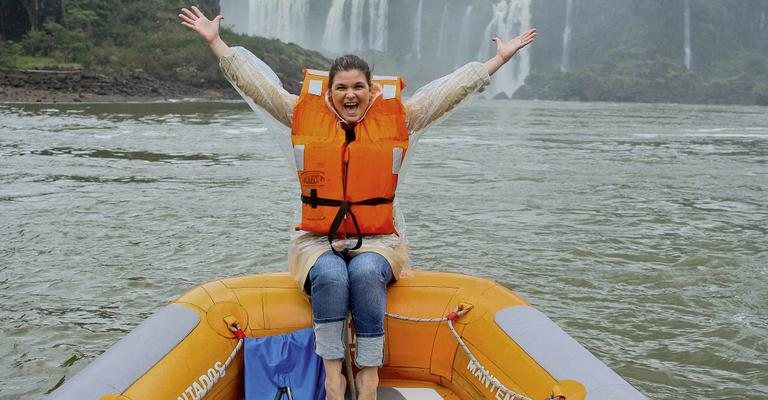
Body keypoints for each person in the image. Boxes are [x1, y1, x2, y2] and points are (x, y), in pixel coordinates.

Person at [179, 5, 536, 400]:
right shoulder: (298, 112)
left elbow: (447, 93)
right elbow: (256, 86)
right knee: (331, 276)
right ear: (329, 92)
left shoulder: (402, 116)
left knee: (366, 272)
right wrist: (217, 44)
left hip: (379, 240)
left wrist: (498, 61)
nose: (350, 94)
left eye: (358, 87)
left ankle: (368, 373)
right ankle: (334, 376)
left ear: (372, 90)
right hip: (316, 241)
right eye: (341, 88)